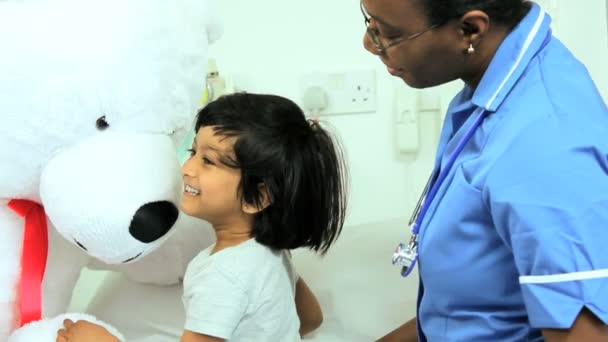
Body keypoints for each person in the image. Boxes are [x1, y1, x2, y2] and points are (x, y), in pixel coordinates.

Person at [359, 0, 608, 341]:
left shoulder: (545, 144)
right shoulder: (491, 89)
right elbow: (476, 314)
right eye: (369, 22)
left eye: (387, 33)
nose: (369, 44)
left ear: (470, 30)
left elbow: (587, 334)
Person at [56, 93, 349, 342]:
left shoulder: (220, 275)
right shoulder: (269, 252)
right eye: (193, 151)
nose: (186, 168)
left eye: (208, 161)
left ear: (257, 197)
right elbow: (311, 318)